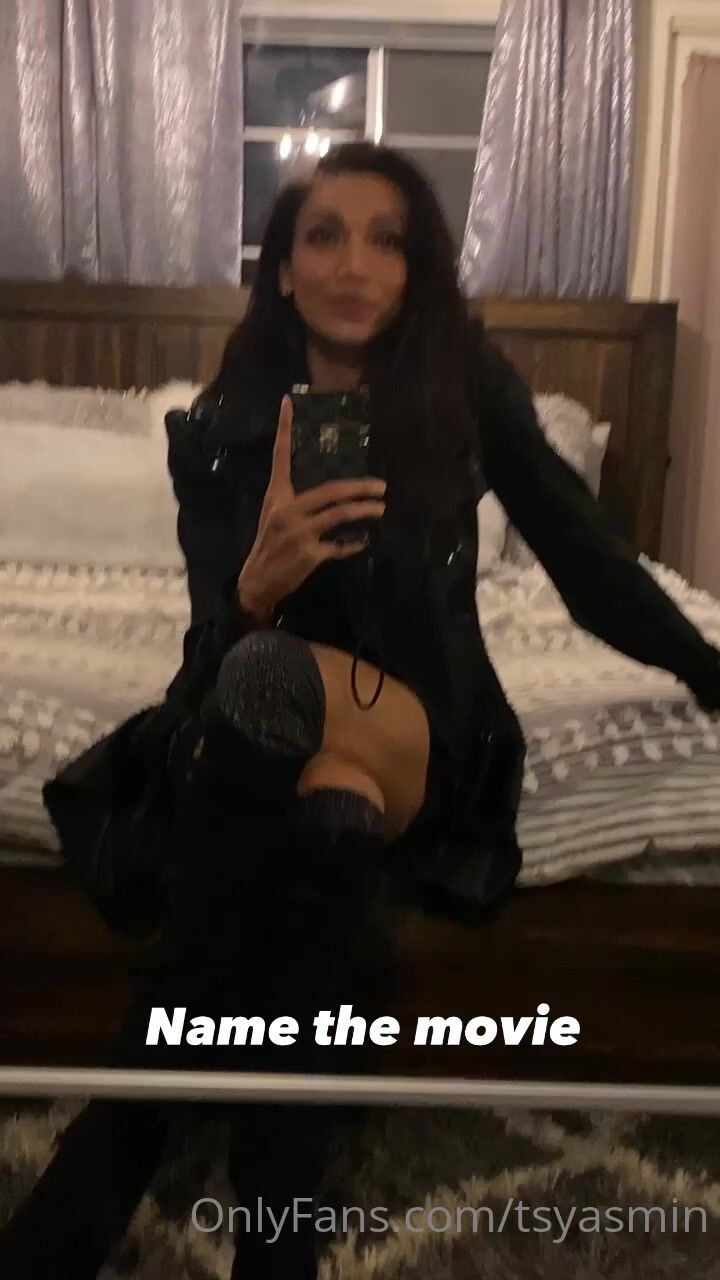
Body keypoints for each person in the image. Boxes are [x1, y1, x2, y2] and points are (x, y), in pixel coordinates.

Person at [2, 141, 720, 1279]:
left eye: (386, 240)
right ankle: (277, 1217)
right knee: (287, 767)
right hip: (264, 723)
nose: (353, 264)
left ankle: (124, 1123)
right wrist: (258, 583)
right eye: (323, 236)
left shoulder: (467, 391)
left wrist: (711, 670)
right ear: (284, 270)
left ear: (417, 267)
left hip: (416, 725)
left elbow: (589, 562)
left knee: (272, 708)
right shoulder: (225, 425)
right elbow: (211, 651)